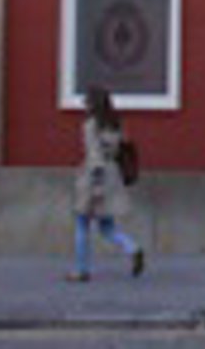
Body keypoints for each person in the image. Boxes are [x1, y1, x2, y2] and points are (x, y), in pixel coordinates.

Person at [69, 85, 144, 281]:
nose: (84, 104)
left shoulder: (91, 124)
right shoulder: (115, 124)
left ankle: (81, 270)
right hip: (112, 174)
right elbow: (120, 148)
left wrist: (95, 187)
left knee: (81, 224)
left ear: (92, 103)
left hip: (94, 177)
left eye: (87, 101)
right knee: (107, 226)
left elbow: (94, 154)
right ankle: (132, 247)